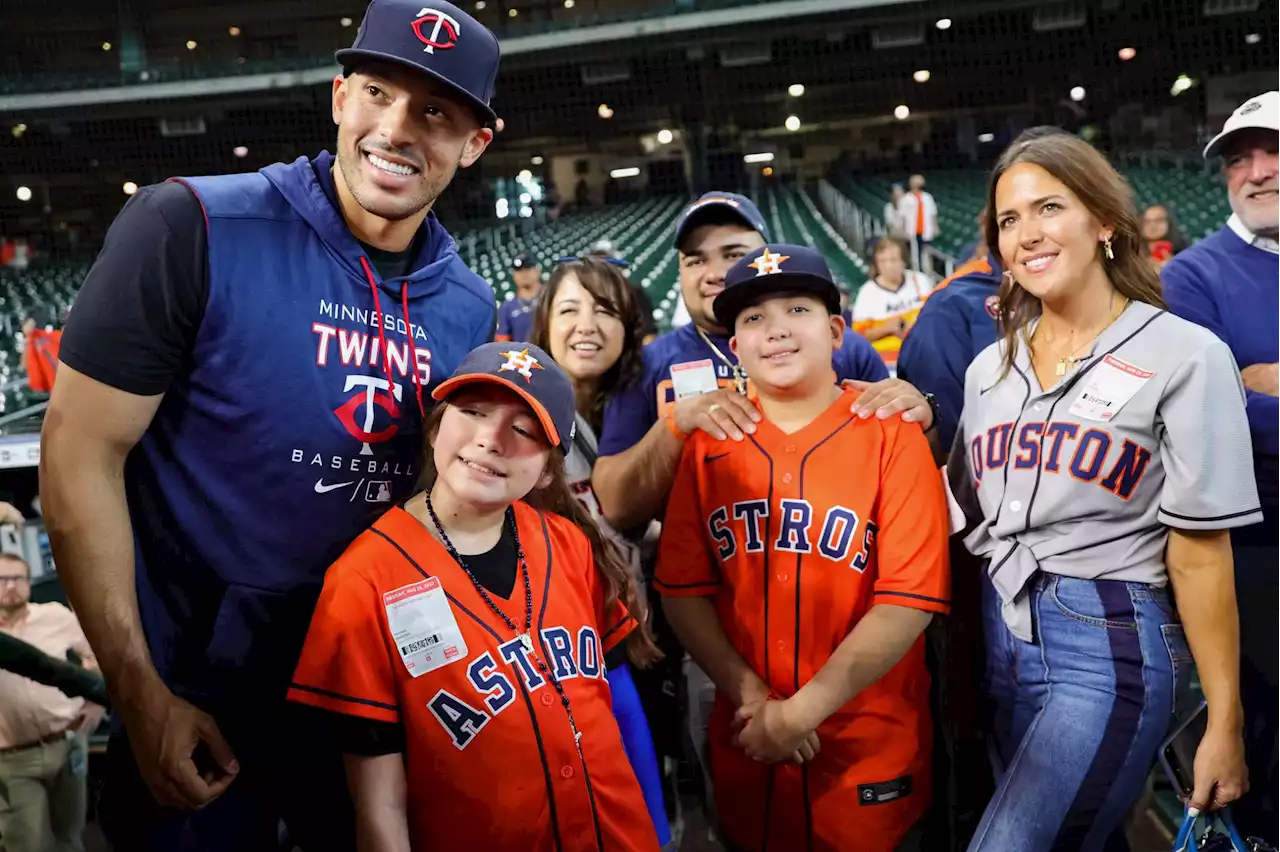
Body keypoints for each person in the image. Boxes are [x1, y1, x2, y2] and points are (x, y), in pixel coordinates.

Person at [38, 1, 501, 848]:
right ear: (338, 97)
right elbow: (77, 454)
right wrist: (139, 694)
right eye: (377, 92)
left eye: (435, 111)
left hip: (363, 706)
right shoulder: (190, 225)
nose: (397, 128)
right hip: (193, 697)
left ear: (475, 144)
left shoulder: (469, 306)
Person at [950, 132, 1258, 851]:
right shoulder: (986, 369)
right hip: (1004, 631)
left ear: (1104, 221)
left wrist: (1224, 720)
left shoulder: (1186, 353)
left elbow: (1201, 555)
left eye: (1049, 206)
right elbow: (964, 516)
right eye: (1008, 220)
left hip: (1111, 638)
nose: (1027, 234)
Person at [287, 342, 661, 852]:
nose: (490, 439)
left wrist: (656, 834)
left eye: (524, 430)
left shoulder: (568, 542)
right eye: (473, 413)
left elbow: (618, 703)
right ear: (438, 426)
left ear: (549, 470)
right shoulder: (363, 579)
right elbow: (378, 799)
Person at [655, 242, 950, 852]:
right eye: (754, 318)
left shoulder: (892, 434)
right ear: (733, 347)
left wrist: (796, 714)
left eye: (797, 309)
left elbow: (908, 602)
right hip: (748, 738)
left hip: (864, 743)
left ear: (837, 329)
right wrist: (751, 698)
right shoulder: (709, 446)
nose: (777, 330)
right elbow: (683, 592)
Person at [1162, 88, 1280, 842]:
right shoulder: (1192, 277)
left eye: (1274, 152)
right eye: (1240, 159)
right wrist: (1246, 393)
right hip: (1259, 554)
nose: (1257, 171)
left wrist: (1263, 380)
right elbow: (1217, 417)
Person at [528, 256, 672, 847]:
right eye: (569, 309)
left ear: (631, 326)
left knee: (646, 797)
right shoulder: (516, 415)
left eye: (605, 310)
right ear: (542, 325)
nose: (587, 324)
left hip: (639, 640)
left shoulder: (644, 409)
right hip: (554, 657)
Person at [0, 553, 105, 852]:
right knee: (26, 844)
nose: (11, 586)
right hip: (12, 759)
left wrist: (96, 703)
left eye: (18, 578)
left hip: (68, 744)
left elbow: (96, 653)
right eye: (2, 579)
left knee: (69, 836)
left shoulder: (55, 616)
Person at [850, 235, 935, 375]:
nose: (888, 266)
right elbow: (859, 337)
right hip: (888, 364)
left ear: (903, 261)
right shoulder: (867, 292)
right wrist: (887, 328)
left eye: (893, 260)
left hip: (923, 352)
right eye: (883, 261)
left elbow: (935, 318)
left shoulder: (920, 281)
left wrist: (911, 328)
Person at [496, 252, 542, 342]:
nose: (523, 274)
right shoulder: (507, 307)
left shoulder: (551, 297)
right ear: (514, 276)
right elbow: (503, 344)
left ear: (537, 270)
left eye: (528, 268)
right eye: (519, 271)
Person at [897, 174, 938, 271]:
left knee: (926, 254)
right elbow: (901, 216)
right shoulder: (906, 199)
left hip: (926, 231)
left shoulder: (927, 197)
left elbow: (933, 213)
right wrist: (902, 231)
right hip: (911, 231)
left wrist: (935, 226)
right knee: (913, 254)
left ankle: (927, 273)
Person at [21, 311, 62, 394]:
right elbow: (24, 365)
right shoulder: (30, 344)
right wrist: (27, 339)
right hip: (57, 386)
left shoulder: (49, 336)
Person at [1139, 204, 1187, 269]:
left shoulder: (1183, 253)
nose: (1152, 225)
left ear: (1169, 222)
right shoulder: (1132, 252)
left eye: (1159, 220)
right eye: (1147, 221)